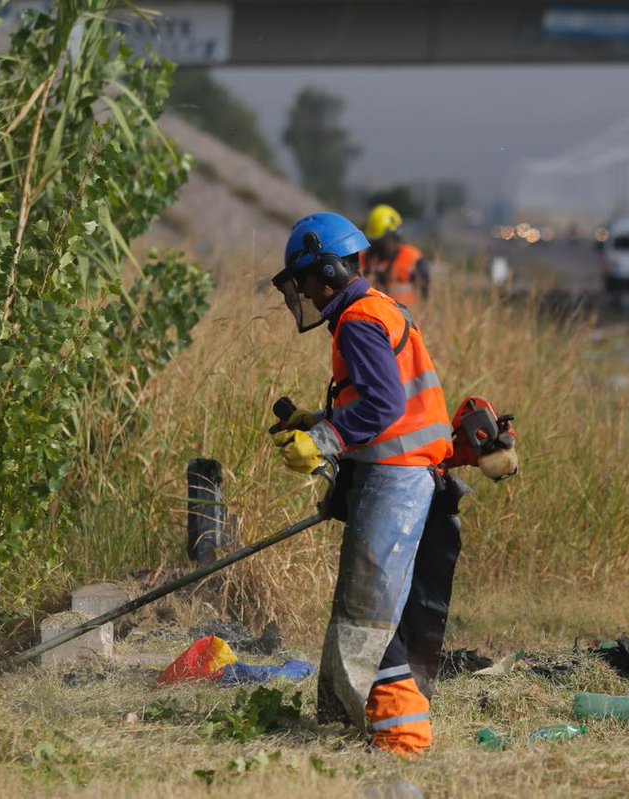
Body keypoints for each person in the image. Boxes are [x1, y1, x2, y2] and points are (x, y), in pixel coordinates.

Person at [269, 212, 455, 756]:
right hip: (401, 475)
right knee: (369, 605)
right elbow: (376, 400)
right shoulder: (376, 308)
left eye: (304, 279)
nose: (303, 292)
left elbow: (385, 405)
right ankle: (356, 720)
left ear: (327, 270)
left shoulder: (358, 321)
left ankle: (402, 736)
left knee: (372, 614)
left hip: (396, 480)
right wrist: (317, 419)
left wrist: (323, 441)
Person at [363, 203, 430, 305]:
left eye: (381, 241)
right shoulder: (361, 262)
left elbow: (426, 296)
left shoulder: (412, 259)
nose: (376, 248)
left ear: (395, 236)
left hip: (407, 314)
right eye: (375, 242)